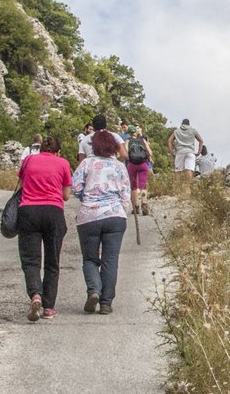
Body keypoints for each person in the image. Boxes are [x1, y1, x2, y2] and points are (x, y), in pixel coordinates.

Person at [71, 129, 131, 314]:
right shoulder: (119, 166)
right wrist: (122, 210)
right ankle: (106, 303)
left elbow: (75, 188)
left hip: (89, 216)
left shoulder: (86, 164)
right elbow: (126, 194)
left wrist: (86, 197)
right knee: (110, 260)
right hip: (115, 216)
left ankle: (94, 290)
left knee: (89, 259)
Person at [17, 135, 73, 321]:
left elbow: (22, 185)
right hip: (53, 212)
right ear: (58, 152)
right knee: (52, 261)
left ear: (40, 149)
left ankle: (35, 294)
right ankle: (48, 307)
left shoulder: (29, 160)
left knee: (31, 259)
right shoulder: (63, 163)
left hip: (29, 211)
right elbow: (66, 195)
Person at [124, 125, 154, 216]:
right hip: (143, 165)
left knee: (133, 187)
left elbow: (125, 154)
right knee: (143, 186)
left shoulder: (128, 141)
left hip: (132, 165)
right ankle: (144, 205)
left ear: (128, 133)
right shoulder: (143, 140)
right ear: (136, 132)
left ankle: (136, 208)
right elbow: (150, 152)